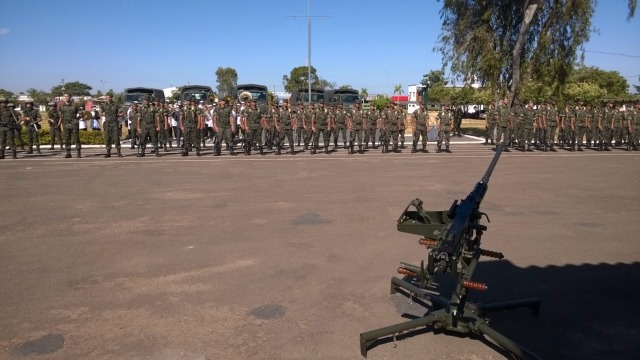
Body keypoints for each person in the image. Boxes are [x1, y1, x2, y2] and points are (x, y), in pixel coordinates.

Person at [99, 93, 124, 158]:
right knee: (107, 138)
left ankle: (119, 152)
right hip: (107, 123)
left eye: (109, 97)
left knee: (116, 137)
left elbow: (122, 112)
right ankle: (108, 152)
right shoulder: (103, 105)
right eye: (107, 97)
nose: (108, 98)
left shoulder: (116, 104)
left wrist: (119, 115)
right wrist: (105, 114)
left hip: (114, 123)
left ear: (111, 97)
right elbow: (100, 113)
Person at [60, 94, 82, 158]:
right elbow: (60, 115)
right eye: (65, 96)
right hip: (65, 124)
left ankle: (78, 153)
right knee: (67, 139)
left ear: (70, 97)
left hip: (74, 124)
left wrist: (77, 119)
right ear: (63, 98)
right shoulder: (61, 106)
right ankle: (68, 153)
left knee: (76, 138)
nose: (66, 97)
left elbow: (81, 113)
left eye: (67, 96)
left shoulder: (75, 105)